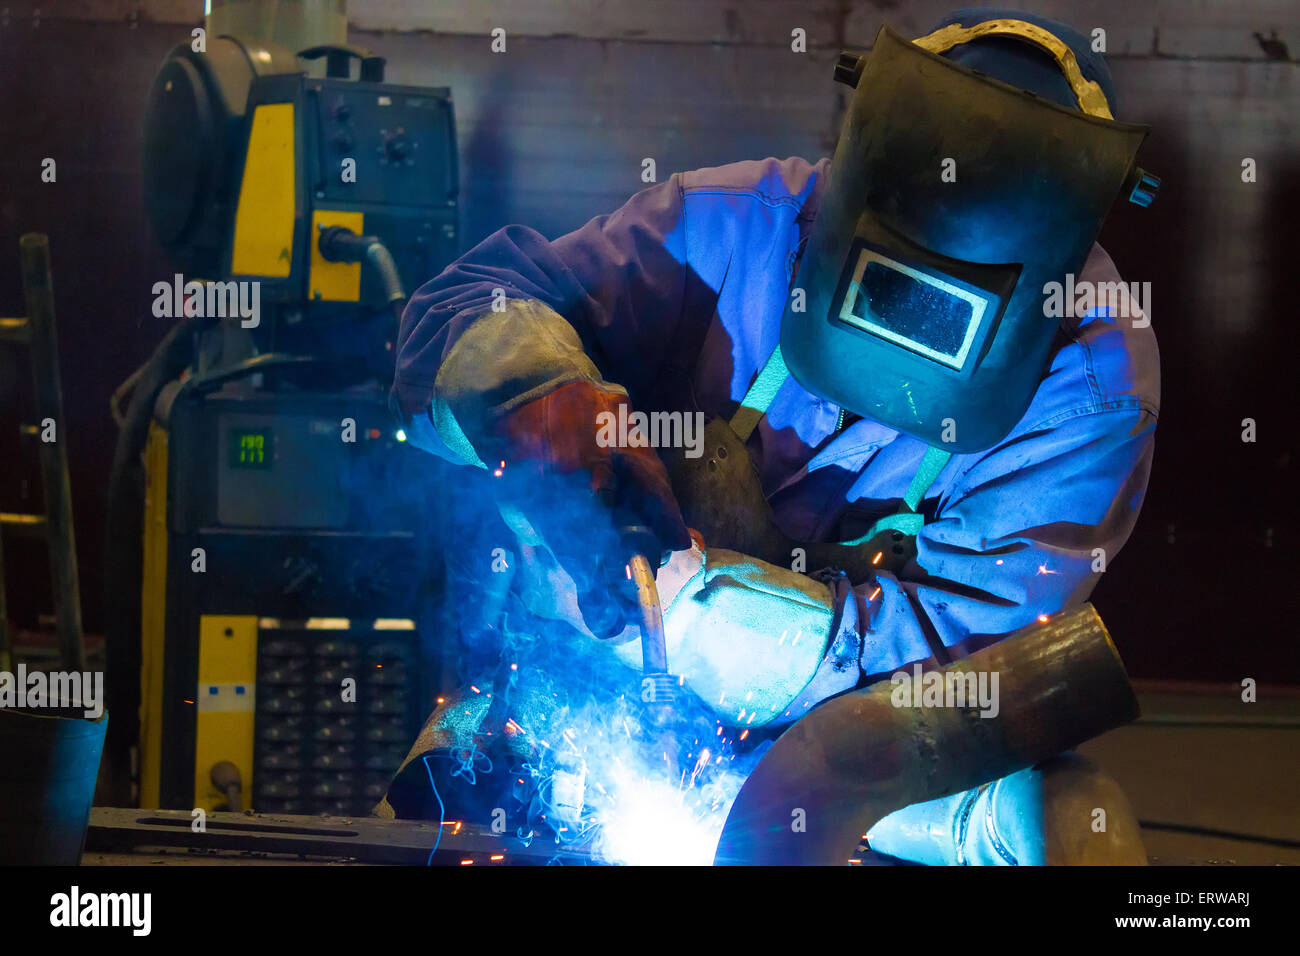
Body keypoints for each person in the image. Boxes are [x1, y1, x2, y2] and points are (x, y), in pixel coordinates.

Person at [386, 9, 1160, 864]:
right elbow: (469, 301)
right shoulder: (736, 223)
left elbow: (957, 686)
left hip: (855, 770)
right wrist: (537, 395)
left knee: (1062, 815)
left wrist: (702, 608)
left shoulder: (1090, 392)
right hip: (571, 706)